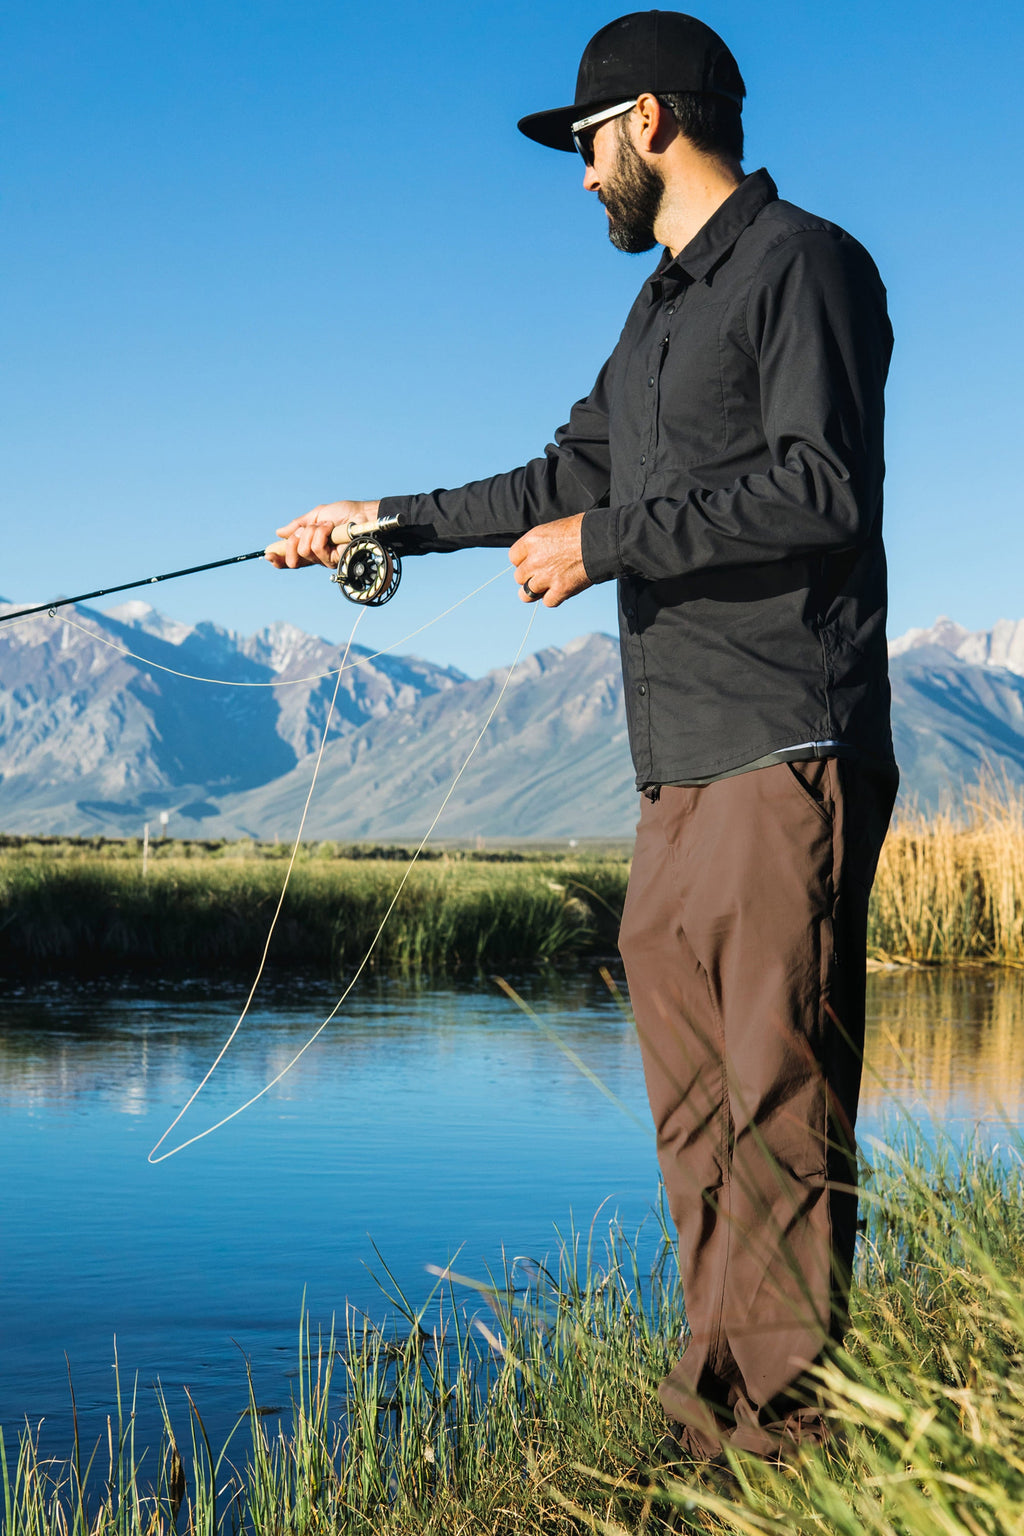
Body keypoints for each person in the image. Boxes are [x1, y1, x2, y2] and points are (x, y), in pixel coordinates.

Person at [268, 10, 899, 1465]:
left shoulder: (808, 266)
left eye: (585, 141)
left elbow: (822, 488)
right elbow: (564, 472)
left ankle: (794, 1455)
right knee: (697, 1127)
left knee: (782, 1112)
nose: (579, 172)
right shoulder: (660, 310)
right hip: (673, 775)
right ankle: (708, 1431)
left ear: (653, 122)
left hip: (781, 747)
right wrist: (390, 524)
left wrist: (604, 542)